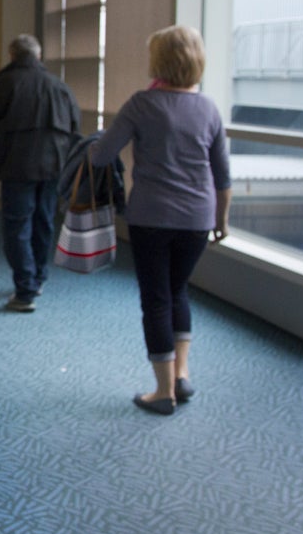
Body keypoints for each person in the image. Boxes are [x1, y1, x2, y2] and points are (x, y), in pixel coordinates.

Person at [88, 25, 231, 416]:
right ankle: (182, 374)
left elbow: (101, 157)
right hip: (198, 218)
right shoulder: (209, 108)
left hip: (151, 215)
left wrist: (97, 141)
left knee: (156, 299)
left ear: (159, 61)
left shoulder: (141, 105)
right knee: (179, 290)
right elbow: (222, 174)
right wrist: (222, 218)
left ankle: (163, 392)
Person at [0, 34, 80, 312]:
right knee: (44, 222)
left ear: (12, 55)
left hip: (17, 167)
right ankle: (37, 278)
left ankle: (25, 289)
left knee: (17, 226)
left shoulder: (5, 84)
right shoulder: (59, 86)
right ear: (38, 57)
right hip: (54, 166)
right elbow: (75, 129)